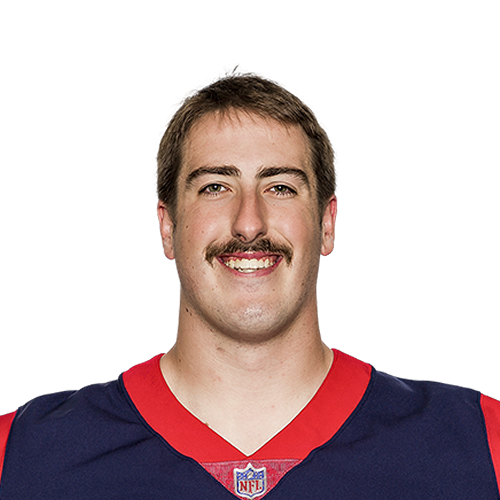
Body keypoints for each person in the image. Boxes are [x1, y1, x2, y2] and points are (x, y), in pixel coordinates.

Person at [0, 69, 499, 499]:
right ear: (167, 227)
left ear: (327, 224)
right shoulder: (23, 453)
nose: (249, 223)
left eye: (279, 186)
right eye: (215, 186)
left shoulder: (481, 441)